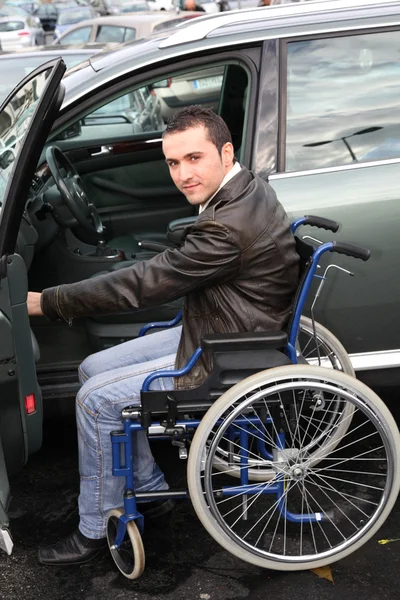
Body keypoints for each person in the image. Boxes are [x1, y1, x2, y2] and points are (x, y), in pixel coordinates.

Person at [27, 105, 300, 566]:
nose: (183, 174)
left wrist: (48, 301)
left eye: (194, 158)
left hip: (228, 350)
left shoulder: (226, 226)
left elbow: (144, 284)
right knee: (92, 367)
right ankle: (149, 482)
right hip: (225, 322)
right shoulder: (244, 188)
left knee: (95, 400)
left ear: (225, 150)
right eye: (173, 163)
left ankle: (95, 526)